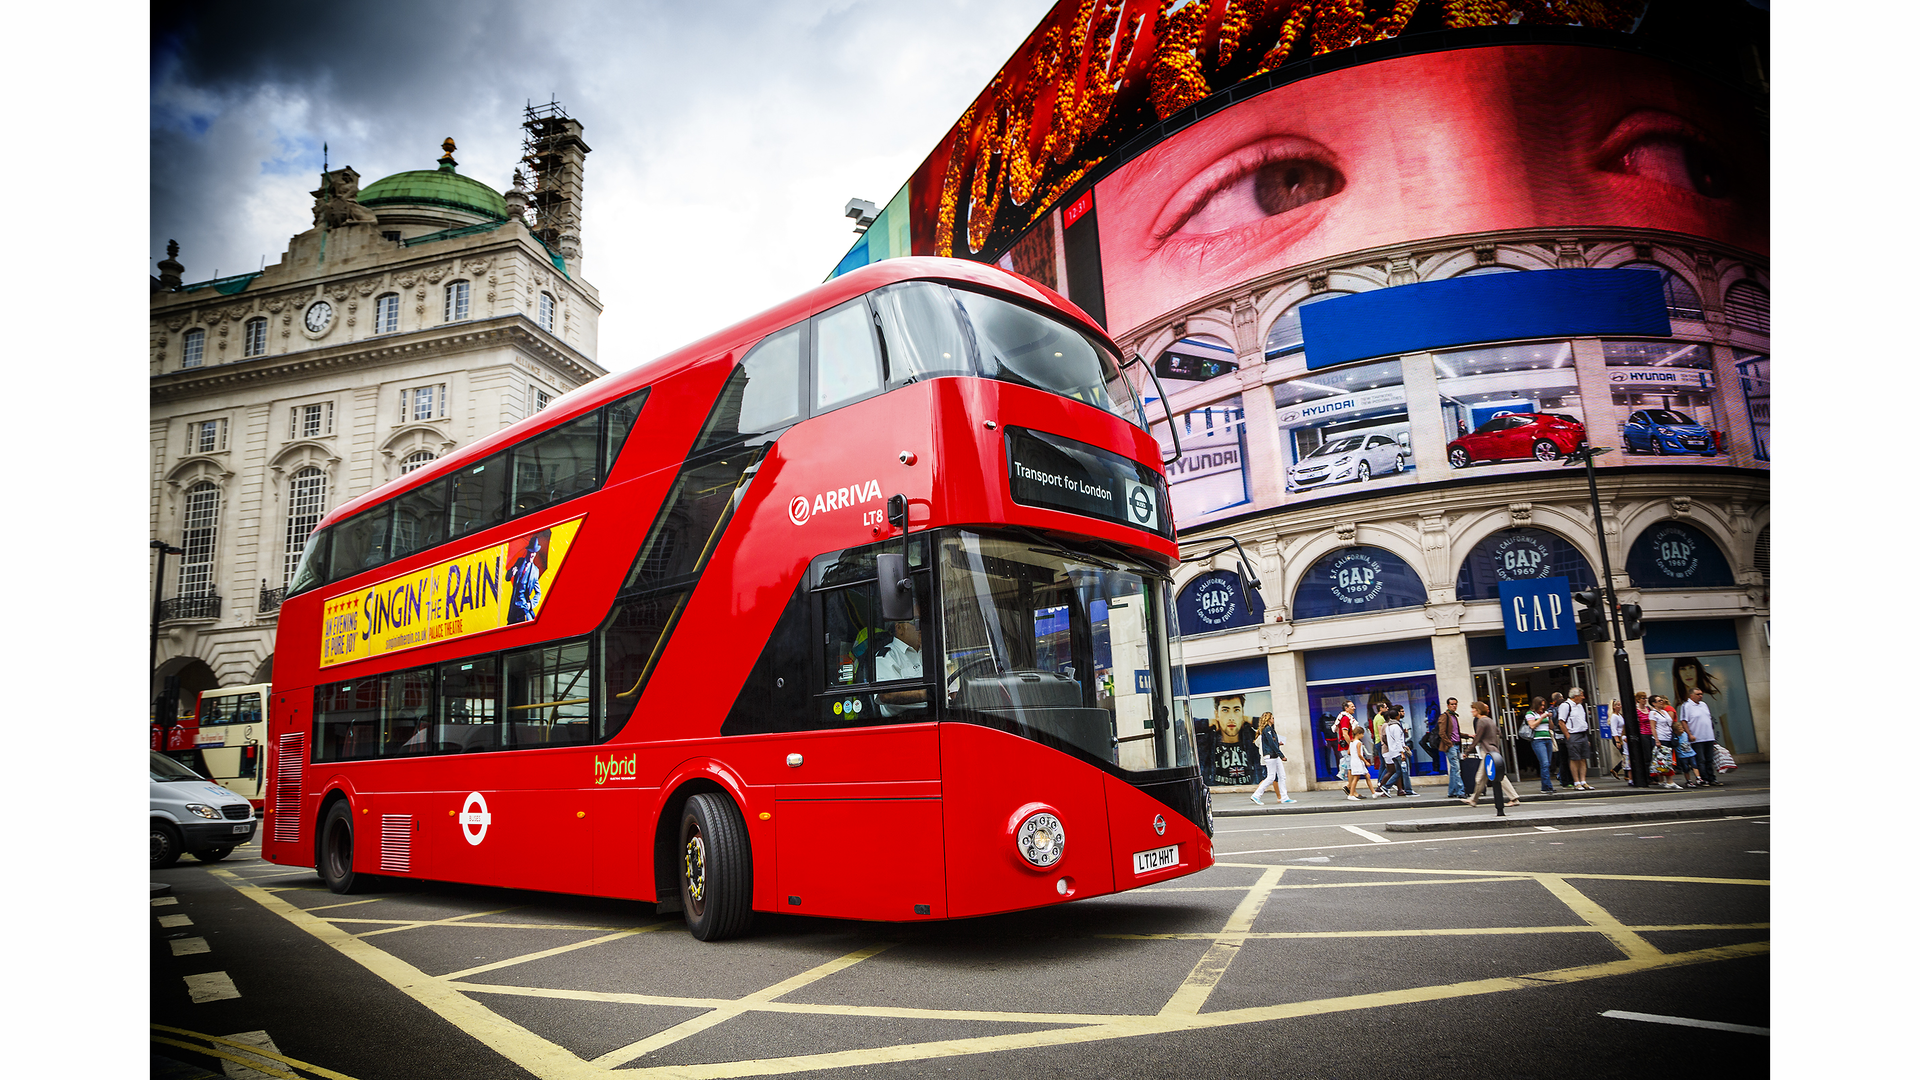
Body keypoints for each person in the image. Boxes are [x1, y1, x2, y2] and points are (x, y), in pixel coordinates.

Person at [1463, 700, 1520, 808]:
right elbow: (1499, 733)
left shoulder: (1481, 721)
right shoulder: (1490, 720)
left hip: (1487, 752)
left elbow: (1477, 738)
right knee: (1482, 777)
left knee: (1496, 776)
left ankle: (1514, 798)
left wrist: (1467, 751)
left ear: (1478, 710)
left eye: (1473, 709)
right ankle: (1473, 799)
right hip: (1493, 750)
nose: (1472, 711)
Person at [873, 608, 927, 716]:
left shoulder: (930, 652)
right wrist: (927, 694)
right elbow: (885, 695)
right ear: (899, 628)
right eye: (916, 622)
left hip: (937, 716)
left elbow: (951, 690)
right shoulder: (887, 656)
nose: (920, 627)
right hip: (904, 722)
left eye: (923, 622)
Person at [1679, 687, 1724, 787]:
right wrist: (1689, 734)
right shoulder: (1686, 706)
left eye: (1701, 694)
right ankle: (1704, 779)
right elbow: (1683, 721)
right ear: (1691, 695)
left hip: (1708, 736)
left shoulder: (1704, 705)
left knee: (1709, 759)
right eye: (1698, 694)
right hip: (1697, 737)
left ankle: (1712, 778)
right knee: (1701, 759)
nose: (1701, 696)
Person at [505, 530, 549, 624]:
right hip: (513, 608)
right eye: (530, 552)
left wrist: (531, 604)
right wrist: (511, 573)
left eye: (534, 552)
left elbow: (538, 593)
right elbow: (507, 578)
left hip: (524, 609)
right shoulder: (519, 562)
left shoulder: (535, 571)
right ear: (528, 551)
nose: (532, 555)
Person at [1251, 712, 1295, 805]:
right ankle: (1256, 795)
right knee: (1271, 777)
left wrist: (1278, 744)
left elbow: (1272, 743)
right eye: (1272, 718)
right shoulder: (1267, 729)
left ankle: (1284, 797)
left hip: (1274, 755)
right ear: (1268, 719)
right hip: (1271, 756)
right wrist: (1281, 755)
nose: (1273, 720)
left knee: (1282, 776)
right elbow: (1271, 743)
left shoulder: (1269, 729)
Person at [1557, 687, 1596, 790]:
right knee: (1574, 759)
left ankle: (1583, 781)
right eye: (1581, 695)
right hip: (1573, 734)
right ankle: (1576, 782)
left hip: (1582, 734)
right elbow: (1561, 722)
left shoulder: (1580, 706)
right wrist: (1568, 736)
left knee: (1583, 758)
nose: (1583, 697)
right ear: (1575, 696)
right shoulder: (1565, 706)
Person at [1381, 706, 1417, 796]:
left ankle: (1386, 787)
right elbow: (1397, 740)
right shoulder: (1396, 727)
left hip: (1393, 752)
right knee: (1405, 771)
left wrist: (1404, 746)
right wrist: (1402, 752)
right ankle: (1408, 790)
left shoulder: (1388, 727)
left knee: (1399, 771)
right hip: (1398, 753)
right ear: (1397, 716)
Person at [1524, 696, 1556, 794]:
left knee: (1547, 764)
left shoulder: (1544, 714)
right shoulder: (1530, 714)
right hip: (1538, 740)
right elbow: (1532, 725)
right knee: (1545, 763)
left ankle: (1545, 786)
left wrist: (1549, 718)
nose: (1542, 707)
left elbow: (1551, 727)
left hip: (1547, 739)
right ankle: (1547, 787)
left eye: (1544, 705)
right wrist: (1542, 717)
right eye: (1541, 705)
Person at [1344, 723, 1383, 801]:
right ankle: (1351, 794)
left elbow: (1349, 752)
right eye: (1362, 734)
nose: (1363, 736)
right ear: (1358, 734)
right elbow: (1360, 754)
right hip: (1358, 762)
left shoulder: (1351, 742)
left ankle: (1373, 792)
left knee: (1367, 776)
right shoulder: (1358, 743)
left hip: (1354, 761)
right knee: (1356, 778)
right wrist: (1366, 762)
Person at [1649, 695, 1681, 789]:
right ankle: (1669, 782)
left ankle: (1663, 781)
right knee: (1665, 760)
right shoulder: (1653, 713)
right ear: (1653, 703)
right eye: (1659, 701)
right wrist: (1657, 740)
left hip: (1668, 737)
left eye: (1661, 700)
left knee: (1666, 759)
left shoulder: (1664, 712)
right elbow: (1653, 727)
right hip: (1661, 738)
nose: (1661, 702)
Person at [1438, 697, 1465, 799]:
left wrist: (1468, 735)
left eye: (1455, 704)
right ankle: (1460, 791)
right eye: (1452, 704)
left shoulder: (1454, 717)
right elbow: (1442, 733)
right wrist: (1450, 744)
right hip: (1451, 746)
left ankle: (1452, 791)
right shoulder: (1444, 716)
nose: (1454, 706)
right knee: (1456, 769)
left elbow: (1456, 733)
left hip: (1457, 745)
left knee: (1454, 769)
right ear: (1448, 705)